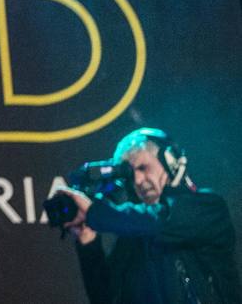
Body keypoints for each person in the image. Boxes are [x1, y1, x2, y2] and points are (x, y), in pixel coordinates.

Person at [56, 127, 241, 304]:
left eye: (143, 167)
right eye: (130, 175)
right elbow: (106, 298)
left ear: (170, 161)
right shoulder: (132, 239)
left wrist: (93, 212)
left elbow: (159, 221)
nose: (137, 180)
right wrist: (88, 242)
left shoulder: (207, 207)